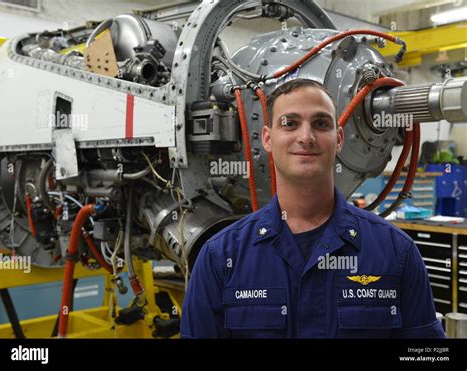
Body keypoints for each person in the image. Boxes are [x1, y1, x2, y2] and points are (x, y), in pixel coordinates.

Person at [180, 78, 445, 338]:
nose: (306, 137)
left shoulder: (396, 252)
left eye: (320, 124)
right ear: (267, 139)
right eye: (290, 124)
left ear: (338, 138)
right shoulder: (219, 258)